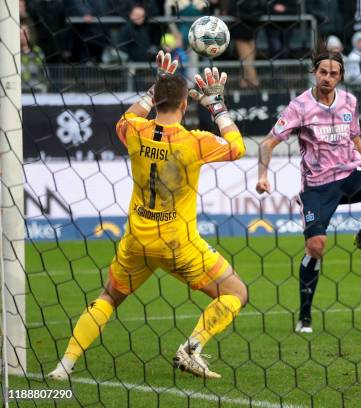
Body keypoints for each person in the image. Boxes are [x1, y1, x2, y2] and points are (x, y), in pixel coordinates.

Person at [48, 51, 247, 380]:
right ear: (185, 106)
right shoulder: (193, 142)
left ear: (157, 102)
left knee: (109, 297)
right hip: (178, 243)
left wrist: (154, 89)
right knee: (236, 293)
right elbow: (237, 146)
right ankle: (192, 348)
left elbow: (124, 119)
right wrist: (216, 106)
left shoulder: (136, 132)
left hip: (136, 240)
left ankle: (64, 366)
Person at [255, 51, 361, 333]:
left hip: (349, 176)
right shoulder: (299, 106)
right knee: (316, 247)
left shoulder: (350, 101)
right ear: (314, 73)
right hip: (318, 188)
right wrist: (262, 175)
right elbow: (267, 142)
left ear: (341, 76)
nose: (327, 78)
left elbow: (355, 136)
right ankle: (304, 317)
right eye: (322, 72)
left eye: (333, 73)